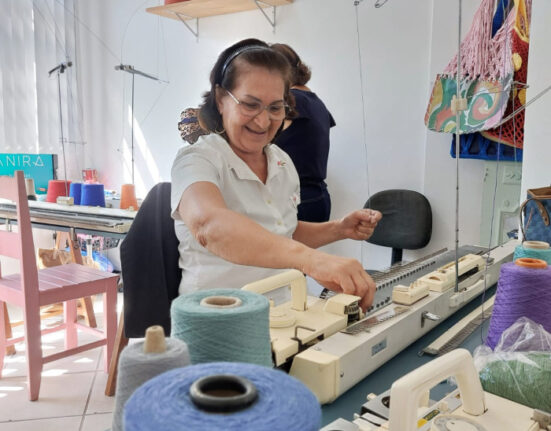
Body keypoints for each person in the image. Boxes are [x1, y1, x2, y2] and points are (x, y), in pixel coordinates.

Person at [171, 38, 381, 311]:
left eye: (275, 107)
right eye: (250, 104)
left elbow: (283, 231)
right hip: (219, 319)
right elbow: (209, 226)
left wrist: (339, 229)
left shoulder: (281, 161)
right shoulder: (197, 159)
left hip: (286, 311)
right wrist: (312, 260)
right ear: (221, 99)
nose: (263, 121)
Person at [272, 43, 334, 223]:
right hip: (317, 196)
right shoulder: (315, 101)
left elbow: (262, 145)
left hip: (299, 199)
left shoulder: (293, 101)